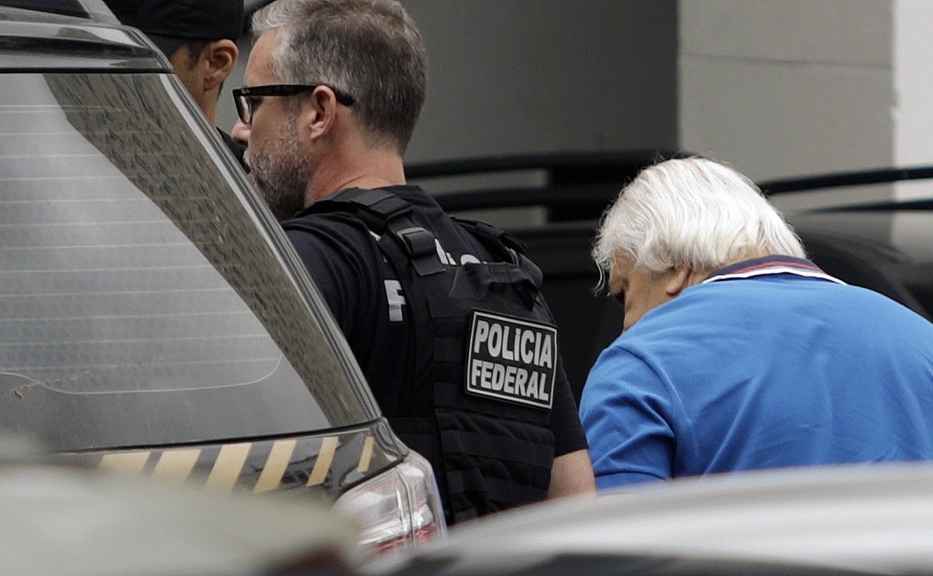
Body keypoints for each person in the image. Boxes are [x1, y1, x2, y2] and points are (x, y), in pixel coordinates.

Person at [230, 0, 596, 524]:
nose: (242, 129)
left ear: (319, 111)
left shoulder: (305, 260)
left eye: (253, 102)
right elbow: (575, 504)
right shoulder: (508, 279)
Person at [579, 156, 933, 490]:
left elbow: (618, 556)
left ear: (675, 266)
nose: (626, 324)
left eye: (623, 294)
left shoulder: (639, 366)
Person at [105, 0, 247, 167]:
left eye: (143, 64)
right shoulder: (76, 168)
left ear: (216, 63)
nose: (111, 78)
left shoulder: (254, 187)